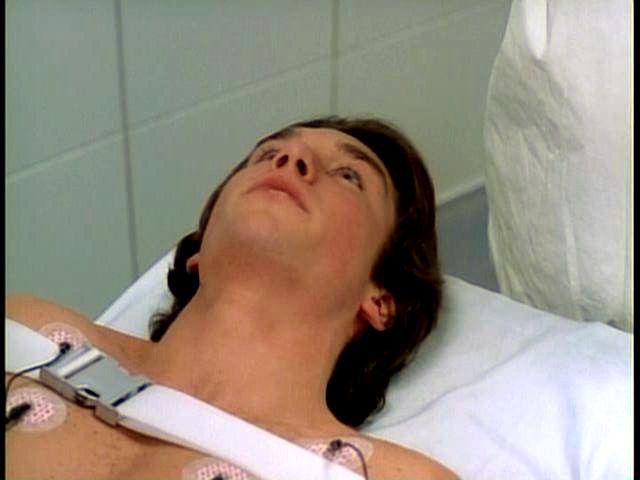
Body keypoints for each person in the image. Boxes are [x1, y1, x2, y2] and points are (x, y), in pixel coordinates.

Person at [6, 116, 458, 479]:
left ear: (382, 300)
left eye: (348, 175)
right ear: (198, 253)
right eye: (267, 153)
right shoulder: (26, 331)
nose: (291, 158)